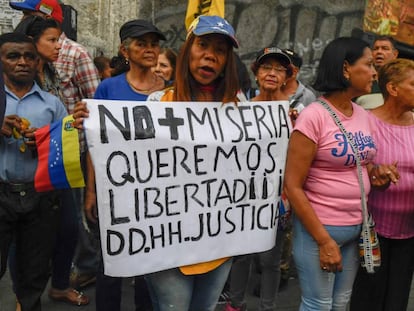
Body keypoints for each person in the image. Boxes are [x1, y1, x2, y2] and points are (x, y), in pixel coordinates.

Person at [144, 15, 241, 311]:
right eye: (203, 45)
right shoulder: (158, 103)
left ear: (226, 61)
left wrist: (277, 131)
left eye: (220, 50)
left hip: (219, 239)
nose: (211, 55)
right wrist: (95, 125)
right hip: (169, 239)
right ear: (188, 50)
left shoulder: (240, 108)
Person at [9, 0, 101, 291]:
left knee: (68, 227)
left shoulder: (63, 64)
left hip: (63, 160)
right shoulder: (13, 72)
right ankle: (25, 292)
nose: (20, 20)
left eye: (27, 14)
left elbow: (91, 107)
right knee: (23, 234)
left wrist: (73, 121)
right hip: (18, 170)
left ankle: (59, 283)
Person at [283, 37, 379, 310]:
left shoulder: (363, 115)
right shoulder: (313, 117)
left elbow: (361, 166)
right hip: (320, 232)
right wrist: (325, 241)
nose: (374, 72)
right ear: (346, 68)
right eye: (369, 65)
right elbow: (293, 184)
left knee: (340, 304)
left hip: (355, 230)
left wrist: (378, 176)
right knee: (318, 305)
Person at [85, 19, 167, 311]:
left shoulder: (169, 92)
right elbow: (96, 143)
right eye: (141, 43)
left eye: (154, 44)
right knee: (111, 262)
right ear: (125, 50)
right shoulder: (108, 88)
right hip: (115, 192)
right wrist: (92, 192)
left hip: (155, 193)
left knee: (149, 265)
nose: (149, 49)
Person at [0, 32, 67, 311]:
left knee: (35, 268)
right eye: (13, 56)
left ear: (37, 62)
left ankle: (27, 305)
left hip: (41, 197)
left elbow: (67, 151)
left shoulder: (52, 105)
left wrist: (46, 144)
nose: (22, 62)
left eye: (29, 56)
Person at [225, 47, 293, 311]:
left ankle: (268, 306)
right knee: (241, 255)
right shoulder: (241, 110)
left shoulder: (294, 114)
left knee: (270, 260)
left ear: (287, 76)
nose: (272, 73)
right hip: (244, 194)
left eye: (279, 69)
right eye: (267, 68)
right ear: (256, 73)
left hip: (278, 196)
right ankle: (236, 303)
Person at [350, 58, 414, 311]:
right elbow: (352, 168)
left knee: (397, 300)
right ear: (393, 89)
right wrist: (374, 172)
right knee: (368, 297)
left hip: (409, 231)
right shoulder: (366, 122)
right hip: (372, 230)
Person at [356, 36, 398, 110]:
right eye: (375, 49)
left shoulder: (401, 82)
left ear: (395, 54)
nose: (379, 52)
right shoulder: (360, 80)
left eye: (385, 48)